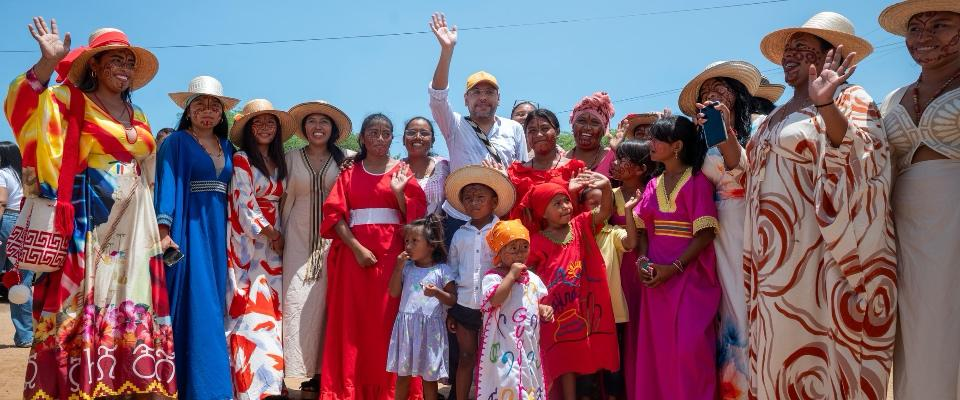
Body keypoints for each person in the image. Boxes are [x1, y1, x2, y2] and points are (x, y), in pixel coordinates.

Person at [5, 19, 176, 398]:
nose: (123, 69)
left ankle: (130, 381)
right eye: (115, 60)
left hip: (136, 230)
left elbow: (148, 173)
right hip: (88, 227)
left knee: (132, 304)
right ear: (94, 65)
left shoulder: (141, 116)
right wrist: (46, 64)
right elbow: (25, 110)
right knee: (87, 301)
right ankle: (82, 383)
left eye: (129, 62)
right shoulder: (69, 100)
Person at [741, 12, 896, 399]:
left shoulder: (851, 98)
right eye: (788, 50)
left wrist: (825, 105)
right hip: (772, 255)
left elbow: (866, 159)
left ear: (831, 58)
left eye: (803, 49)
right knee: (777, 345)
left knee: (819, 345)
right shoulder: (771, 117)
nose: (790, 56)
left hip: (821, 251)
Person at [878, 2, 960, 398]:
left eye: (939, 25)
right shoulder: (894, 97)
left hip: (954, 217)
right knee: (913, 328)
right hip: (901, 224)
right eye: (915, 27)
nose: (924, 36)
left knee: (949, 321)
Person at [321, 113, 427, 398]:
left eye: (385, 133)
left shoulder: (402, 172)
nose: (379, 138)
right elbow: (334, 215)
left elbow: (416, 219)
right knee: (351, 324)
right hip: (353, 259)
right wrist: (357, 248)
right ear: (363, 137)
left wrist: (400, 193)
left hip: (392, 258)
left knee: (388, 323)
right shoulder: (349, 173)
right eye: (373, 132)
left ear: (393, 138)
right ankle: (349, 390)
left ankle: (391, 390)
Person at [680, 60, 762, 399]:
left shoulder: (757, 129)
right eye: (707, 93)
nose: (714, 96)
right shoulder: (696, 141)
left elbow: (736, 166)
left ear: (738, 95)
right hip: (705, 229)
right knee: (717, 312)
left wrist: (725, 131)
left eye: (722, 89)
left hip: (745, 223)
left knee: (743, 307)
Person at [155, 75, 239, 399]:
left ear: (222, 114)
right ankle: (204, 389)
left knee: (216, 304)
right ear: (188, 111)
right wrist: (164, 232)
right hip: (188, 231)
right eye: (200, 105)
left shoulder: (229, 147)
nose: (207, 111)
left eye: (214, 106)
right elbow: (167, 186)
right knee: (195, 305)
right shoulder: (175, 143)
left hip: (220, 234)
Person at [631, 115, 720, 399]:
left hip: (690, 278)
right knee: (658, 352)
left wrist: (674, 267)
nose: (651, 143)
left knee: (689, 352)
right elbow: (644, 231)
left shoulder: (698, 182)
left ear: (678, 145)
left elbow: (705, 234)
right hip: (656, 280)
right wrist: (643, 262)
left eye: (658, 138)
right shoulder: (652, 184)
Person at [428, 12, 528, 246]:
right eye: (476, 92)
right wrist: (446, 52)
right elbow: (437, 98)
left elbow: (524, 174)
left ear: (499, 98)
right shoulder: (454, 124)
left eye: (489, 93)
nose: (483, 98)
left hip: (499, 218)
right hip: (456, 218)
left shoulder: (514, 128)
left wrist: (506, 177)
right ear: (465, 99)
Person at [521, 172, 619, 399]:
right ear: (542, 212)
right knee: (561, 362)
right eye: (557, 203)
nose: (566, 206)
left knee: (580, 358)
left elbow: (605, 212)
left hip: (581, 310)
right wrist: (536, 303)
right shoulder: (535, 241)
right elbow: (527, 277)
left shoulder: (580, 224)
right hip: (553, 313)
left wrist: (606, 188)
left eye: (567, 200)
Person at [282, 100, 355, 394]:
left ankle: (325, 374)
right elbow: (279, 198)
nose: (317, 127)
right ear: (303, 128)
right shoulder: (289, 158)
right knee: (295, 303)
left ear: (333, 129)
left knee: (329, 306)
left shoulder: (348, 158)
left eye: (324, 122)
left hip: (335, 243)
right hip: (296, 240)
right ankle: (299, 372)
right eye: (311, 121)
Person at [225, 98, 294, 399]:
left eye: (270, 123)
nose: (265, 128)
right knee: (250, 311)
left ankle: (272, 383)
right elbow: (243, 201)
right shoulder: (242, 159)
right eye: (258, 123)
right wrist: (269, 232)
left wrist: (280, 235)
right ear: (249, 129)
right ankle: (249, 388)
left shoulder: (282, 161)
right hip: (250, 246)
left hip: (276, 246)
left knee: (275, 313)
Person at [442, 165, 516, 400]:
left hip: (495, 306)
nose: (474, 202)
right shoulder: (459, 234)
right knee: (466, 357)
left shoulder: (502, 231)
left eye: (480, 197)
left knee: (494, 358)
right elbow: (451, 272)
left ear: (494, 201)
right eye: (468, 198)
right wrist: (451, 310)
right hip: (464, 305)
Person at [577, 183, 642, 400]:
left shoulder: (613, 233)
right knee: (585, 363)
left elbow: (631, 242)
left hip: (612, 311)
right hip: (581, 312)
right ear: (582, 206)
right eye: (592, 204)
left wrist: (630, 212)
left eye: (603, 204)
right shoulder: (574, 233)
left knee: (613, 364)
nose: (598, 209)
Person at [477, 219, 553, 400]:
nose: (520, 253)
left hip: (528, 346)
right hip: (503, 347)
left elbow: (531, 301)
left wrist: (542, 308)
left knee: (529, 384)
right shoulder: (493, 278)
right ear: (499, 252)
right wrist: (511, 275)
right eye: (513, 248)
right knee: (507, 383)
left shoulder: (532, 279)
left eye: (524, 247)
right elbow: (495, 300)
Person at [386, 215, 456, 400]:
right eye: (406, 241)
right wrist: (398, 268)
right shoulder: (407, 268)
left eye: (414, 241)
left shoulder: (442, 271)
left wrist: (438, 293)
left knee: (429, 379)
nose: (408, 245)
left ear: (431, 245)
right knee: (403, 376)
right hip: (407, 330)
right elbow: (393, 292)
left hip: (431, 332)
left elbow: (452, 299)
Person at [609, 140, 658, 400]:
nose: (615, 163)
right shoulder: (611, 194)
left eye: (622, 158)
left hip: (644, 266)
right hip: (618, 270)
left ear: (640, 168)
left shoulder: (654, 191)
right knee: (620, 333)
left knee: (641, 329)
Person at [507, 108, 585, 218]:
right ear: (526, 136)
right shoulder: (516, 173)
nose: (539, 134)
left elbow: (584, 213)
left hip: (568, 233)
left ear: (557, 131)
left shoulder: (575, 168)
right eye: (532, 130)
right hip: (527, 235)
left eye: (545, 128)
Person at [0, 142, 30, 348]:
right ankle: (26, 335)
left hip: (7, 220)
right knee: (21, 280)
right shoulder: (25, 175)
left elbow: (1, 202)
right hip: (27, 221)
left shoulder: (2, 174)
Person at [402, 116, 450, 215]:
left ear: (433, 141)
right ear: (403, 139)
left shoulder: (445, 166)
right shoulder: (394, 169)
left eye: (424, 133)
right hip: (403, 230)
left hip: (440, 229)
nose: (418, 137)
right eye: (411, 133)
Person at [566, 92, 616, 176]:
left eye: (595, 123)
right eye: (581, 121)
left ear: (603, 130)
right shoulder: (561, 159)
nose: (587, 127)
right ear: (573, 125)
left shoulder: (613, 157)